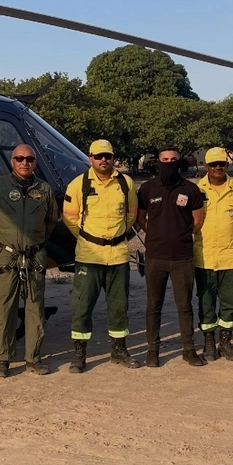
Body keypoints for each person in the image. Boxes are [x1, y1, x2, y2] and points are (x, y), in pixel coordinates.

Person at [61, 139, 139, 372]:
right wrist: (89, 238)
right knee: (82, 306)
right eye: (98, 156)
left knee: (119, 305)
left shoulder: (126, 183)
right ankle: (79, 354)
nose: (103, 160)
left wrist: (117, 236)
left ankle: (119, 350)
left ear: (113, 158)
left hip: (118, 256)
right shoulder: (78, 185)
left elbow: (132, 214)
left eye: (107, 156)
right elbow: (69, 217)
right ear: (90, 158)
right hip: (88, 256)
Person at [0, 144, 59, 378]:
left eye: (29, 159)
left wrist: (35, 241)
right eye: (19, 159)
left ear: (35, 162)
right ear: (12, 161)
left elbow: (52, 220)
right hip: (7, 255)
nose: (25, 163)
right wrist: (5, 243)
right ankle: (3, 359)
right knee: (4, 308)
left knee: (35, 307)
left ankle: (33, 358)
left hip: (34, 255)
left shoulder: (44, 189)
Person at [136, 146, 206, 367]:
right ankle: (152, 350)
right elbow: (140, 218)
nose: (169, 163)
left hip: (183, 257)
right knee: (153, 305)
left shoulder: (190, 190)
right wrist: (156, 235)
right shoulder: (147, 188)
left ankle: (188, 349)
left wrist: (180, 236)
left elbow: (197, 220)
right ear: (158, 162)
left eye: (173, 159)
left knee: (184, 305)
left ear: (180, 161)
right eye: (164, 160)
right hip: (155, 256)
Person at [194, 147, 233, 362]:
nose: (218, 167)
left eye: (222, 164)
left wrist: (231, 237)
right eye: (213, 164)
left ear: (226, 166)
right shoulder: (197, 190)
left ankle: (226, 342)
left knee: (230, 301)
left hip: (231, 256)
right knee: (206, 301)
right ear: (206, 166)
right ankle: (209, 342)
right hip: (204, 257)